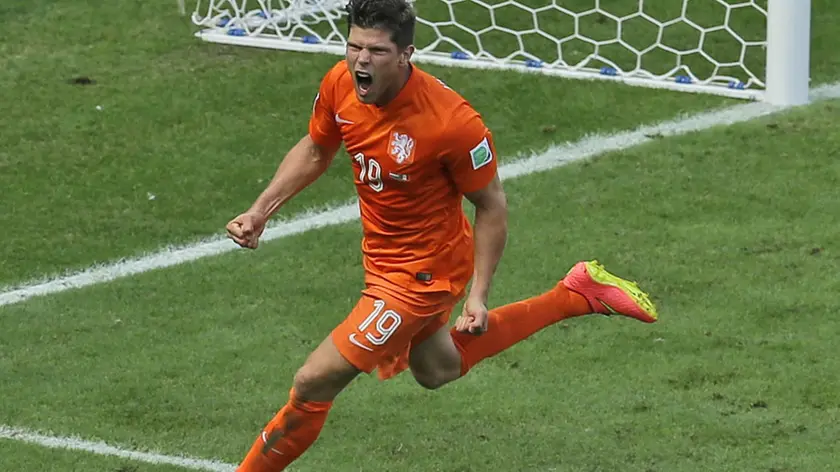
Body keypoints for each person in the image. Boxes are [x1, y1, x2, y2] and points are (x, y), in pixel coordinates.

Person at [225, 0, 659, 470]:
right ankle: (576, 295)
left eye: (376, 51)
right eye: (353, 47)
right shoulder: (339, 84)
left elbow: (491, 206)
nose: (361, 61)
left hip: (422, 275)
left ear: (406, 54)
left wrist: (479, 296)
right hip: (382, 258)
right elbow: (316, 149)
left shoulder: (452, 123)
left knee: (313, 381)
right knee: (437, 369)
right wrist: (260, 210)